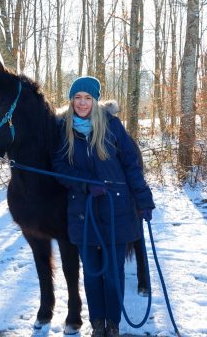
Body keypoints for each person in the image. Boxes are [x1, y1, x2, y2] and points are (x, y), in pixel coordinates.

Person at [52, 76, 155, 337]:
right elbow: (59, 169)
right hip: (82, 213)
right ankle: (97, 324)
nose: (82, 103)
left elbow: (132, 165)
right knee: (92, 274)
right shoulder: (64, 130)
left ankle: (113, 324)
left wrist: (143, 200)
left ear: (95, 100)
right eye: (77, 97)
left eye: (88, 98)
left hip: (116, 210)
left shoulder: (112, 126)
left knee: (113, 273)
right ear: (71, 100)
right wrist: (85, 185)